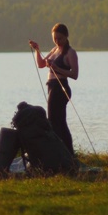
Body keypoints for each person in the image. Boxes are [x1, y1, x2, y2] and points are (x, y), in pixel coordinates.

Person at [28, 23, 79, 156]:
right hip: (52, 87)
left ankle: (64, 153)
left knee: (55, 122)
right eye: (55, 38)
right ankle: (66, 153)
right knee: (58, 122)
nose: (57, 41)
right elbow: (40, 64)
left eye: (60, 38)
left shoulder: (70, 53)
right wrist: (37, 50)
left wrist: (57, 69)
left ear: (66, 37)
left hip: (60, 88)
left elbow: (75, 74)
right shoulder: (54, 50)